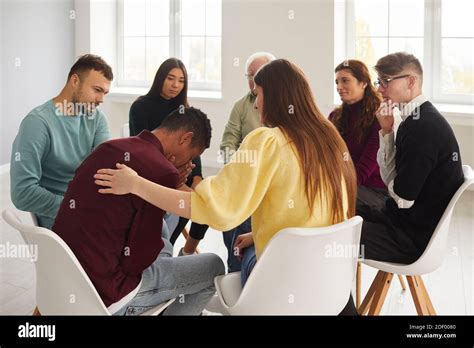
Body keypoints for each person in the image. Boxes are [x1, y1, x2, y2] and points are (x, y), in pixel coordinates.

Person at [94, 59, 359, 314]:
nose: (255, 105)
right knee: (246, 239)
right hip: (328, 282)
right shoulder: (330, 140)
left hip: (280, 284)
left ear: (275, 97)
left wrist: (137, 184)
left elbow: (215, 210)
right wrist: (258, 234)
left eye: (259, 95)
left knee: (224, 259)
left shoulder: (267, 141)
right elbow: (313, 211)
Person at [53, 107, 225, 315]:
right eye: (192, 156)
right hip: (111, 294)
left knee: (162, 235)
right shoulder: (163, 171)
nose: (189, 164)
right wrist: (168, 177)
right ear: (185, 139)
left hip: (66, 280)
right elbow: (137, 260)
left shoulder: (109, 147)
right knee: (213, 267)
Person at [358, 52, 464, 264]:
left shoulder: (423, 128)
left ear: (411, 81)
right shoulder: (415, 119)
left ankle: (343, 298)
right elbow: (394, 184)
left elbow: (403, 199)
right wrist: (387, 131)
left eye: (386, 81)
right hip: (400, 221)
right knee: (338, 208)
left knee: (329, 239)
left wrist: (393, 185)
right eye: (379, 81)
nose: (379, 89)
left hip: (408, 239)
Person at [10, 54, 113, 229]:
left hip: (93, 208)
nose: (101, 100)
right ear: (75, 81)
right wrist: (77, 207)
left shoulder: (96, 119)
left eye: (104, 93)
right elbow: (22, 193)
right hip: (65, 220)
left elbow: (105, 169)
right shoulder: (37, 123)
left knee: (152, 223)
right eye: (97, 90)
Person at [129, 58, 208, 253]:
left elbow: (194, 149)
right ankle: (166, 248)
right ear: (160, 79)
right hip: (156, 171)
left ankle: (187, 251)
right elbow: (141, 149)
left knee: (205, 203)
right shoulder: (140, 107)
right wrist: (175, 175)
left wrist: (197, 177)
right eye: (170, 78)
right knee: (189, 205)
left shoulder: (184, 110)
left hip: (184, 170)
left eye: (181, 81)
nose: (175, 85)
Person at [219, 51, 275, 272]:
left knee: (245, 210)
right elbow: (226, 145)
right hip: (244, 175)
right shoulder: (241, 106)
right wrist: (239, 170)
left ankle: (241, 267)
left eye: (258, 74)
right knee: (229, 208)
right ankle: (235, 267)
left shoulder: (284, 107)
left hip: (269, 182)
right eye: (249, 75)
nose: (253, 80)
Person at [329, 59, 387, 209]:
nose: (339, 87)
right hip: (343, 183)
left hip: (374, 192)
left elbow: (364, 169)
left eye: (345, 81)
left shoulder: (379, 117)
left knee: (324, 196)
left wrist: (334, 187)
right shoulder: (335, 116)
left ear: (363, 83)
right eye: (337, 82)